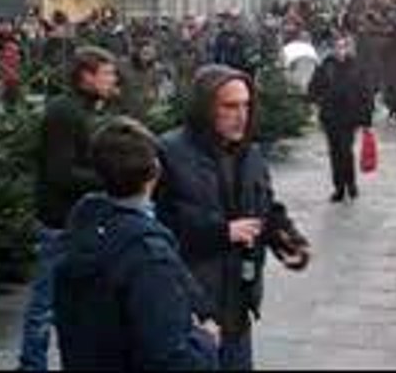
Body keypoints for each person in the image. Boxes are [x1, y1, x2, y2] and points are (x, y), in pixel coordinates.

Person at [156, 65, 311, 370]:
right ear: (205, 108)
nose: (241, 115)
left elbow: (265, 208)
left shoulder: (249, 153)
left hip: (238, 302)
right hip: (193, 305)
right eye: (229, 106)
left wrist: (288, 240)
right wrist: (220, 233)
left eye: (245, 106)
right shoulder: (169, 153)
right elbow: (159, 231)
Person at [53, 117, 219, 370]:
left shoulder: (82, 229)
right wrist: (206, 342)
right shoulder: (148, 256)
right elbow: (169, 356)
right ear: (155, 171)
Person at [18, 47, 118, 371]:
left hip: (79, 220)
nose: (112, 80)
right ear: (86, 76)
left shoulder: (84, 110)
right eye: (106, 73)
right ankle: (32, 364)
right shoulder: (65, 113)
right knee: (45, 303)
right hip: (60, 221)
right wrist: (109, 177)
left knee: (75, 302)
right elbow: (60, 172)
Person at [307, 34, 375, 202]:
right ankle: (338, 187)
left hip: (349, 116)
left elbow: (366, 92)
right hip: (330, 116)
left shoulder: (356, 66)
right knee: (334, 152)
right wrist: (320, 99)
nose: (341, 50)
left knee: (346, 151)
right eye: (337, 47)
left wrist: (366, 119)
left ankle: (350, 184)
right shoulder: (326, 66)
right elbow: (313, 88)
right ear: (332, 49)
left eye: (344, 46)